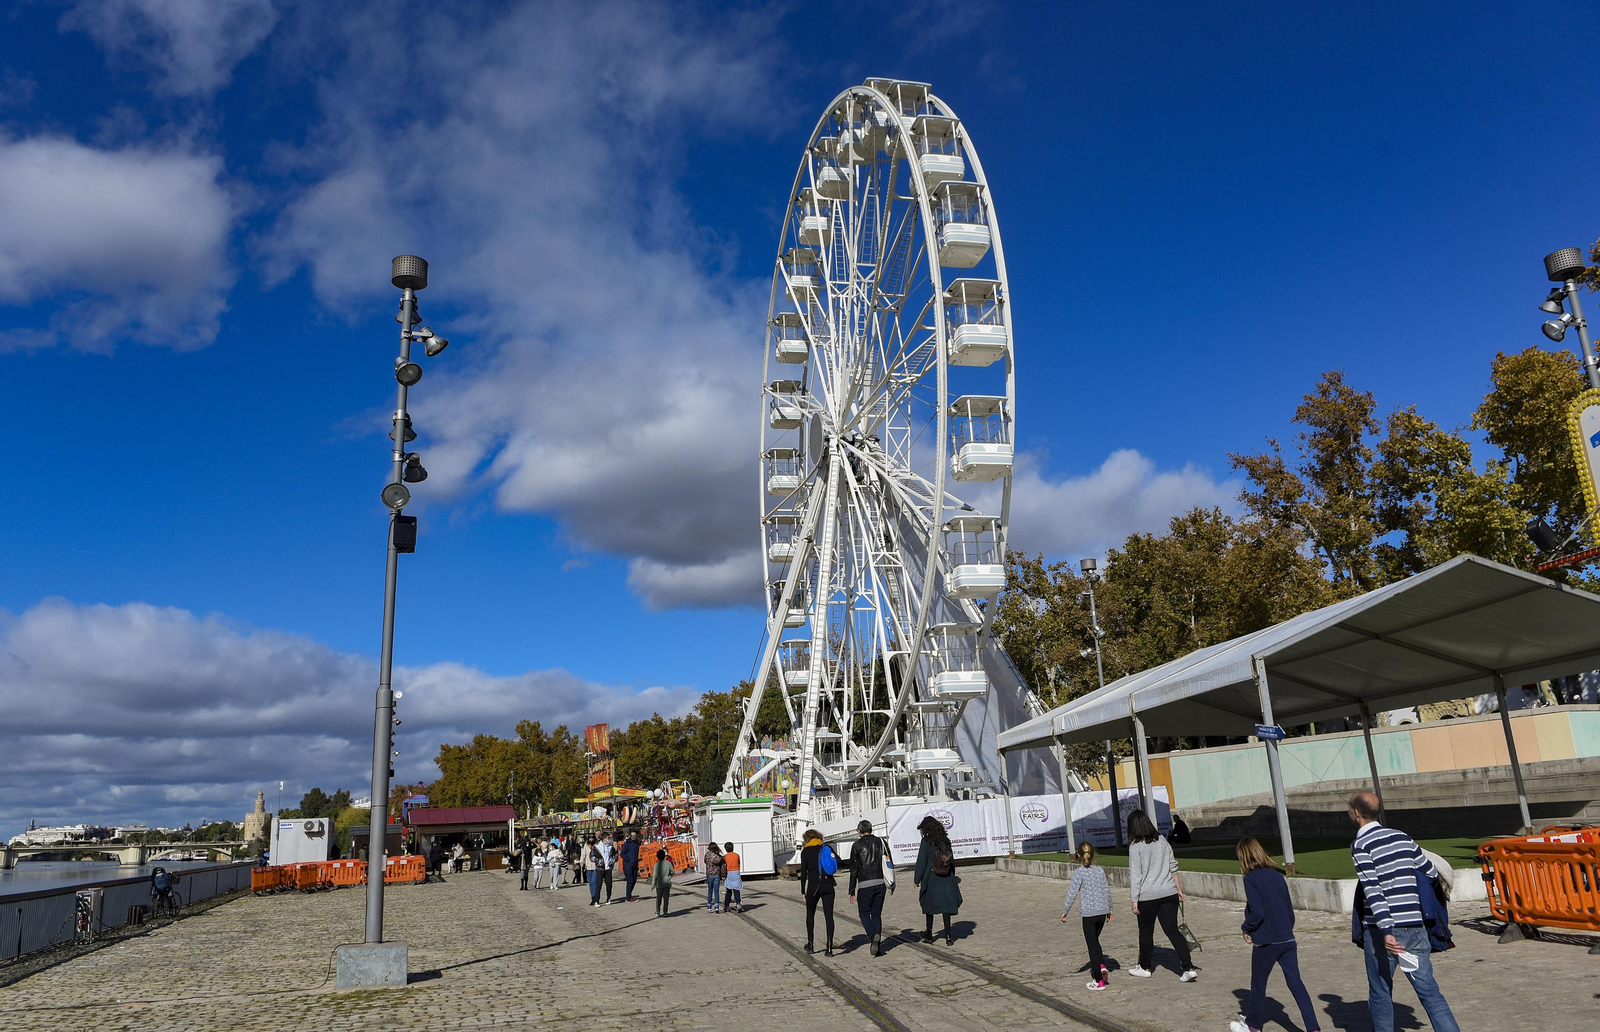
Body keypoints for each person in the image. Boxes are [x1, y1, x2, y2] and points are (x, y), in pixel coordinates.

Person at [1348, 791, 1459, 1032]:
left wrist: (1387, 931)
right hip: (1415, 926)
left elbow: (1373, 891)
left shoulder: (1361, 845)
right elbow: (1430, 871)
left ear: (1356, 813)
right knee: (1429, 990)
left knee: (1380, 992)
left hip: (1381, 931)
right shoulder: (1402, 837)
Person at [1230, 837, 1321, 1032]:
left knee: (1258, 986)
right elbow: (1289, 910)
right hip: (1287, 938)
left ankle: (1252, 1026)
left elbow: (1257, 912)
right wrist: (1287, 929)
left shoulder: (1250, 879)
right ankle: (1313, 1028)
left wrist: (1246, 928)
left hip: (1267, 941)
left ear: (1244, 857)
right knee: (1296, 984)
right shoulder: (1277, 876)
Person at [1126, 810, 1198, 981]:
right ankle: (1188, 966)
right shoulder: (1162, 840)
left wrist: (1133, 899)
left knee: (1145, 932)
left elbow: (1136, 875)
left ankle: (1145, 966)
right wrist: (1178, 888)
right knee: (1172, 930)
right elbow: (1173, 866)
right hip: (1168, 892)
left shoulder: (1135, 846)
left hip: (1147, 896)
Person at [1059, 841, 1114, 990]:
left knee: (1091, 945)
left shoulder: (1079, 873)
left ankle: (1098, 981)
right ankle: (1102, 966)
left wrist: (1065, 911)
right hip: (1101, 912)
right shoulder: (1099, 871)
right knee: (1095, 941)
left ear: (1078, 855)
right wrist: (1110, 909)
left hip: (1089, 915)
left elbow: (1072, 893)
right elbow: (1106, 891)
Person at [913, 815, 962, 946]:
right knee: (946, 907)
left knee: (929, 906)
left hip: (932, 876)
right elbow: (952, 861)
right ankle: (948, 936)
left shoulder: (926, 842)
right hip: (946, 877)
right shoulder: (946, 841)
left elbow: (921, 862)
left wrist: (916, 879)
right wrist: (953, 875)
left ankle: (929, 933)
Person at [847, 819, 894, 956]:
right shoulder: (881, 842)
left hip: (865, 884)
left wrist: (851, 890)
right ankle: (877, 947)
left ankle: (873, 936)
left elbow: (853, 870)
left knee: (863, 913)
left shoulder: (856, 845)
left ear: (859, 830)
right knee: (876, 914)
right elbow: (889, 860)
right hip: (880, 883)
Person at [798, 829, 836, 955]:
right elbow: (838, 861)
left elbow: (803, 874)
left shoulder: (805, 852)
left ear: (806, 839)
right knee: (829, 916)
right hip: (828, 885)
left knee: (810, 914)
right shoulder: (826, 847)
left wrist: (803, 891)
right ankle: (829, 948)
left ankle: (811, 944)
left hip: (813, 887)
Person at [649, 847, 674, 917]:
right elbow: (673, 871)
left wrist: (653, 885)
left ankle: (657, 911)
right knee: (666, 898)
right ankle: (665, 911)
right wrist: (669, 876)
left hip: (659, 883)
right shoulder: (668, 863)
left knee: (659, 897)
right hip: (667, 882)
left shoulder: (657, 864)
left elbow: (655, 875)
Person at [703, 842, 726, 914]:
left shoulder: (707, 855)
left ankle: (709, 906)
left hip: (709, 874)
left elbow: (705, 861)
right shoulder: (718, 856)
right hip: (716, 874)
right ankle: (716, 906)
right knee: (716, 891)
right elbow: (722, 864)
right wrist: (724, 874)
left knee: (710, 890)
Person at [722, 841, 744, 913]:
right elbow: (739, 863)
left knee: (728, 890)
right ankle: (738, 903)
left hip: (729, 873)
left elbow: (724, 866)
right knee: (736, 889)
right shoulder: (737, 855)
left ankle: (726, 905)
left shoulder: (725, 857)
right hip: (736, 872)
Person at [621, 831, 642, 902]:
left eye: (634, 836)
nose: (633, 837)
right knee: (630, 881)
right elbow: (622, 853)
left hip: (634, 864)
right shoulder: (627, 844)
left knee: (634, 880)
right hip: (628, 865)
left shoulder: (636, 844)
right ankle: (628, 897)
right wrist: (628, 859)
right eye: (632, 836)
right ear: (630, 836)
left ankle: (629, 895)